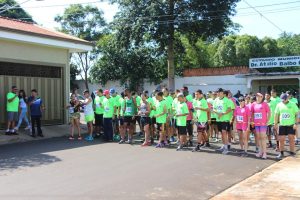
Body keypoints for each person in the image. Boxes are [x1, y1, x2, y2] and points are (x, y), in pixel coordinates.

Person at [274, 93, 299, 159]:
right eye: (281, 99)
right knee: (281, 139)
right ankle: (281, 153)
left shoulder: (293, 104)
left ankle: (292, 152)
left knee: (291, 139)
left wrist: (296, 123)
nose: (283, 101)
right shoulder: (279, 105)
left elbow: (297, 114)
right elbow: (276, 115)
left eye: (284, 99)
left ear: (287, 98)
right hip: (282, 125)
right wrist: (275, 124)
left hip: (291, 125)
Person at [251, 93, 270, 159]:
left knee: (263, 138)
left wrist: (267, 121)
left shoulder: (265, 104)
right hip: (256, 124)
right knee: (258, 138)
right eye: (257, 96)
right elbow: (252, 113)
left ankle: (264, 153)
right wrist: (252, 121)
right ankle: (260, 152)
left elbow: (269, 112)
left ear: (262, 97)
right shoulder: (253, 104)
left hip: (263, 124)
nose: (258, 97)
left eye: (259, 96)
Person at [213, 88, 232, 155]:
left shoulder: (227, 100)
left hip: (225, 119)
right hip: (218, 119)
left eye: (218, 92)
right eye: (217, 92)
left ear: (221, 93)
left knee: (224, 132)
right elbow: (214, 109)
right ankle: (224, 145)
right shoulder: (216, 100)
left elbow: (230, 109)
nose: (217, 93)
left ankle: (226, 148)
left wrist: (223, 113)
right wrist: (218, 113)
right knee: (221, 133)